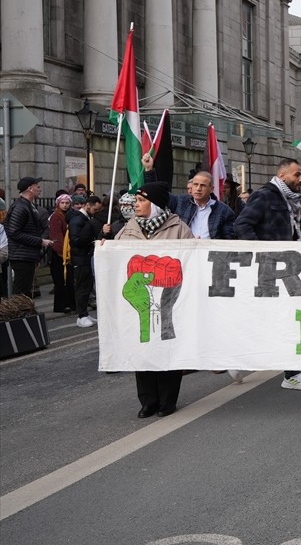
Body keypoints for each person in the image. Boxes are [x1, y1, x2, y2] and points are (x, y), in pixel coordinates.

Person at [233, 159, 301, 392]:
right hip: (270, 271)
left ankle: (241, 359)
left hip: (290, 271)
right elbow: (242, 225)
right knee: (276, 321)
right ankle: (287, 372)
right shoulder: (265, 196)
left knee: (284, 320)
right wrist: (263, 255)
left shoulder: (292, 201)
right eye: (297, 175)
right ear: (281, 175)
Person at [116, 182, 193, 418]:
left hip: (168, 295)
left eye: (141, 201)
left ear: (156, 205)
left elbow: (191, 259)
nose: (136, 205)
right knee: (143, 346)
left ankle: (167, 400)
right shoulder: (129, 228)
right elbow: (116, 257)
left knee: (167, 345)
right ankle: (148, 400)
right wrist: (104, 245)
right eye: (136, 201)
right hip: (141, 297)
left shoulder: (178, 227)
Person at [67, 195, 104, 328]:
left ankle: (84, 314)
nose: (96, 212)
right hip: (80, 258)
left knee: (87, 287)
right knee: (82, 288)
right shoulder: (77, 220)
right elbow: (75, 240)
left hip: (85, 257)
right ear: (88, 205)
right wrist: (92, 241)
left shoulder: (85, 218)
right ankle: (81, 315)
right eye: (95, 209)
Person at [167, 170, 237, 240]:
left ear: (211, 189)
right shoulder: (180, 202)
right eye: (195, 184)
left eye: (203, 185)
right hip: (184, 248)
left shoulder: (225, 211)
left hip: (209, 249)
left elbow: (227, 240)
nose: (198, 189)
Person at [47, 193, 76, 313]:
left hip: (67, 252)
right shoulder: (56, 216)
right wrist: (61, 251)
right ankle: (61, 305)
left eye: (67, 203)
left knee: (68, 280)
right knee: (60, 280)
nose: (64, 205)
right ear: (58, 204)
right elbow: (56, 235)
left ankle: (69, 303)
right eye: (62, 203)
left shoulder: (68, 215)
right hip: (60, 253)